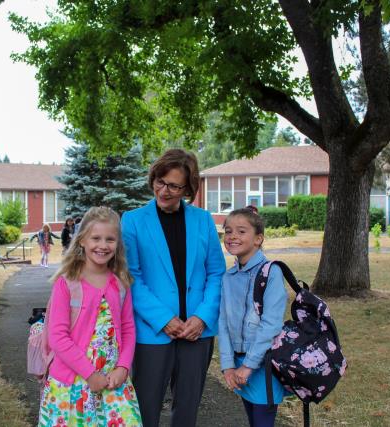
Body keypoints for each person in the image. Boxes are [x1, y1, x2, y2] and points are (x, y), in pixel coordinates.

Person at [121, 149, 226, 427]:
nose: (164, 191)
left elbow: (216, 273)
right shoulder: (132, 220)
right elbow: (130, 276)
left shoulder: (203, 220)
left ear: (187, 189)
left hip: (197, 332)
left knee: (187, 410)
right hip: (152, 331)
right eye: (160, 182)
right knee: (145, 409)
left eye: (174, 186)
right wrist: (163, 319)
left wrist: (202, 317)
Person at [40, 207, 142, 426]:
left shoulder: (120, 283)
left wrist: (123, 367)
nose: (103, 245)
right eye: (96, 238)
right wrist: (90, 375)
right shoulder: (67, 283)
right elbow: (58, 336)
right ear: (82, 240)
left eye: (110, 239)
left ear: (118, 244)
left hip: (113, 383)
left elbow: (128, 328)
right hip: (72, 386)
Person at [219, 207, 288, 427]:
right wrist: (228, 365)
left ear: (258, 239)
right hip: (239, 365)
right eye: (228, 231)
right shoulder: (228, 277)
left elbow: (271, 325)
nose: (232, 236)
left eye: (241, 231)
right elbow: (223, 323)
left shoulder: (271, 273)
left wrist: (248, 366)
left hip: (264, 365)